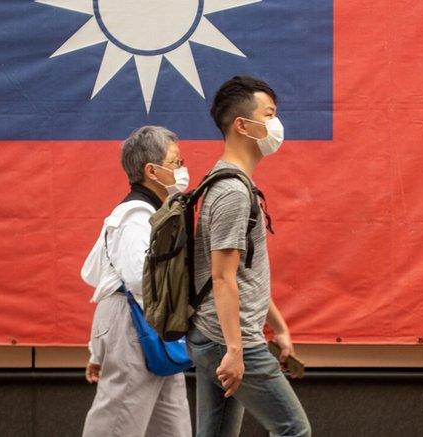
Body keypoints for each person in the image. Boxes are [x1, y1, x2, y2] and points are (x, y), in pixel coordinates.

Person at [188, 75, 310, 437]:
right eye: (269, 114)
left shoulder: (228, 183)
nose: (276, 124)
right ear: (242, 124)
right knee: (293, 429)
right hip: (228, 338)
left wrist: (280, 327)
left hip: (217, 336)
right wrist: (236, 350)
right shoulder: (232, 192)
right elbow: (223, 277)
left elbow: (243, 274)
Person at [80, 125, 192, 437]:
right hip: (138, 325)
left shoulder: (154, 212)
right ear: (151, 171)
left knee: (172, 426)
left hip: (150, 327)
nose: (182, 169)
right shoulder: (135, 215)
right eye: (175, 162)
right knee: (117, 424)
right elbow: (140, 279)